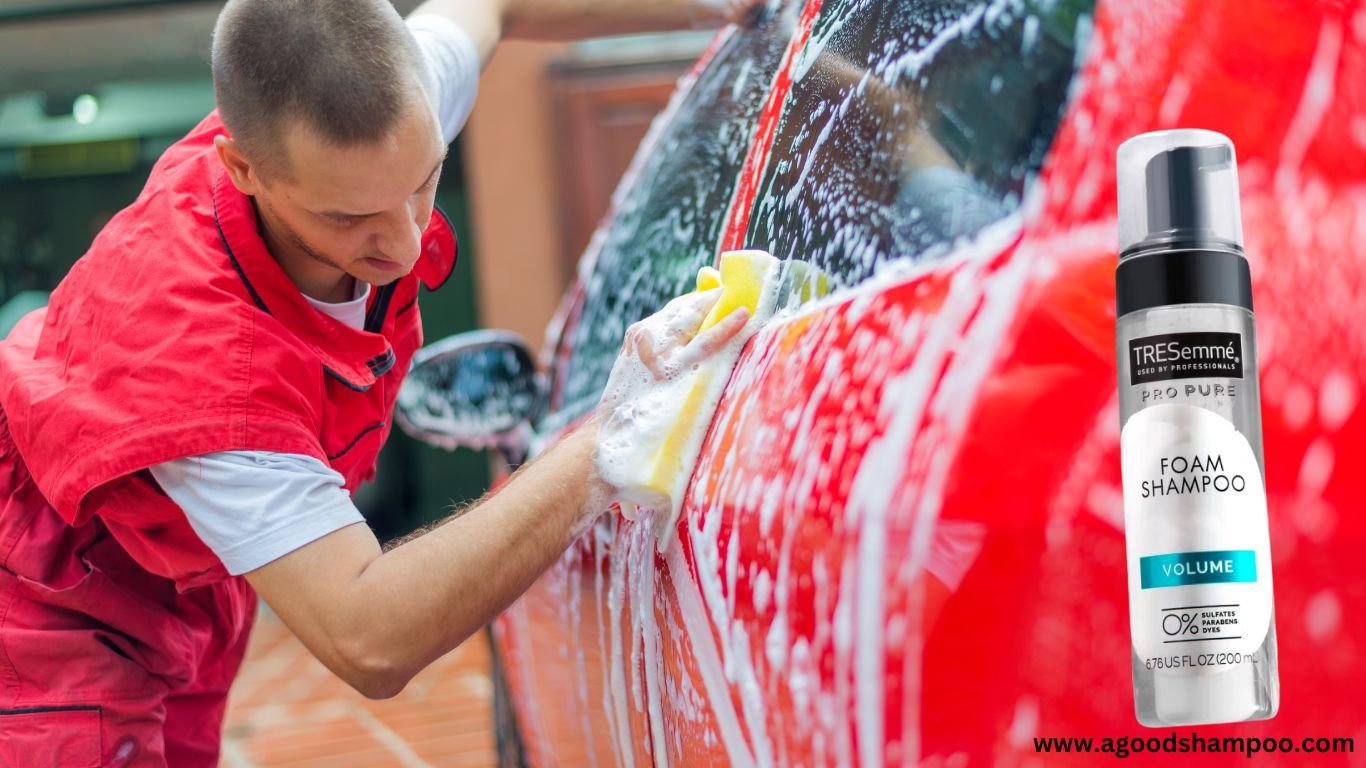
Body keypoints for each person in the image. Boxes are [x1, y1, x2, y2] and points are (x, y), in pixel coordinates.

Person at [0, 0, 752, 765]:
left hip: (175, 584)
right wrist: (606, 441)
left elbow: (497, 4)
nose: (404, 238)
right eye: (350, 217)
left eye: (426, 182)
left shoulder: (382, 115)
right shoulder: (204, 371)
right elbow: (368, 635)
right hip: (41, 609)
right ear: (244, 170)